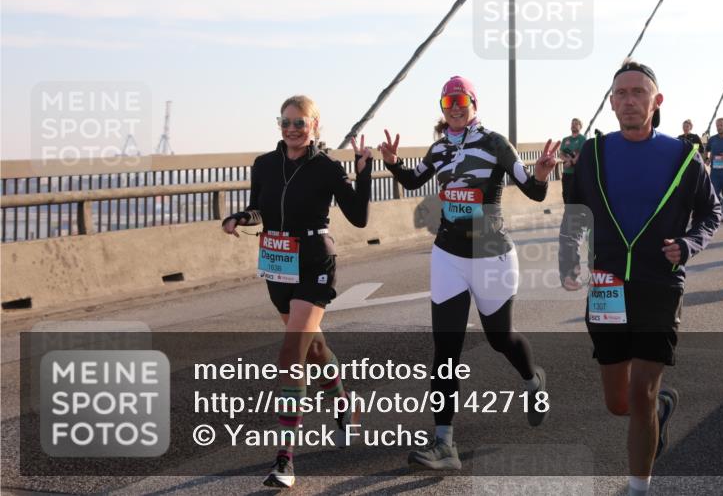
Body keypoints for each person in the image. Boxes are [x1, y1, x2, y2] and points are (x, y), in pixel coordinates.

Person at [379, 76, 559, 470]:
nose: (455, 106)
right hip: (448, 254)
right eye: (448, 101)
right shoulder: (440, 147)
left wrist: (542, 171)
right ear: (443, 108)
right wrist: (393, 164)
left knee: (500, 339)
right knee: (446, 350)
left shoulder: (494, 143)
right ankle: (444, 444)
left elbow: (534, 190)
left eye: (461, 99)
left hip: (491, 252)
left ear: (474, 104)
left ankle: (533, 381)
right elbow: (414, 179)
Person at [570, 61, 721, 496]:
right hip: (606, 287)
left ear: (657, 102)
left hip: (659, 284)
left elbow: (711, 212)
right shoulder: (593, 156)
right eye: (622, 93)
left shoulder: (682, 156)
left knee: (640, 397)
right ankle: (663, 406)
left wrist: (689, 244)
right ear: (612, 102)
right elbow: (576, 211)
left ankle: (639, 487)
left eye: (639, 92)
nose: (630, 100)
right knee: (618, 403)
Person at [221, 95, 372, 488]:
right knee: (314, 348)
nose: (291, 129)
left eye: (299, 123)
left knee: (291, 353)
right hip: (276, 262)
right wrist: (240, 217)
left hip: (315, 261)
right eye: (285, 122)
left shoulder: (325, 167)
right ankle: (344, 403)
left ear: (314, 126)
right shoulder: (264, 165)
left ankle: (285, 459)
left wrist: (364, 172)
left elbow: (358, 216)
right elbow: (259, 210)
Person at [558, 118, 588, 291]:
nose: (574, 125)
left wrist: (574, 160)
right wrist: (565, 160)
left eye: (577, 123)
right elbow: (562, 153)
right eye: (572, 123)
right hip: (567, 172)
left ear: (580, 126)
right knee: (566, 195)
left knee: (574, 198)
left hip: (577, 172)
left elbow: (581, 154)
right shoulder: (566, 140)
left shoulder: (582, 140)